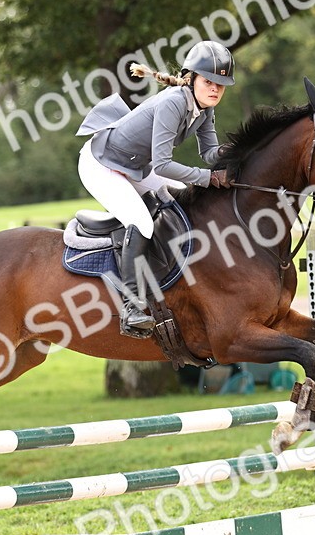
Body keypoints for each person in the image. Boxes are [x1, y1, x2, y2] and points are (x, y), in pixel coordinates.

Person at [76, 40, 235, 337]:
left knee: (182, 199)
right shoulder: (174, 102)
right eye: (209, 81)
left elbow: (211, 153)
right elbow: (162, 165)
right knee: (141, 221)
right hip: (101, 164)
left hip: (134, 166)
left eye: (221, 85)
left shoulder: (204, 109)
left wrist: (239, 155)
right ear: (192, 79)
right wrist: (206, 177)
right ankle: (132, 307)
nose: (215, 89)